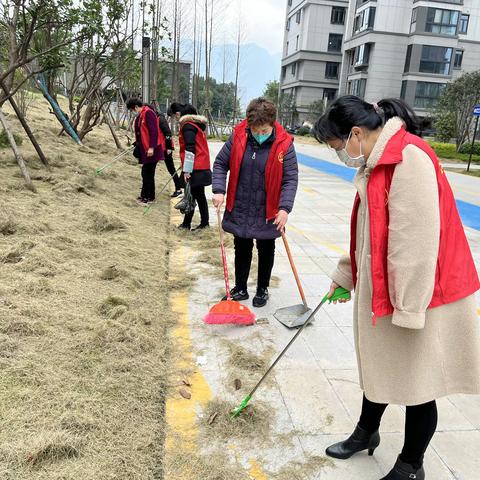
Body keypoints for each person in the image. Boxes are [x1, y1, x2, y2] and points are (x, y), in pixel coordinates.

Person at [313, 95, 480, 480]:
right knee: (382, 367)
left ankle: (410, 465)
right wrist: (346, 274)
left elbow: (416, 243)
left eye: (338, 147)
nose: (340, 154)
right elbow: (369, 232)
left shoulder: (409, 159)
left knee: (418, 383)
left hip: (424, 294)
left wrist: (407, 310)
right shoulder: (378, 161)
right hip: (397, 288)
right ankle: (365, 432)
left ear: (355, 134)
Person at [212, 97, 298, 308]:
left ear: (272, 124)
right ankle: (240, 288)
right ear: (249, 125)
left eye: (264, 131)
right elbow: (221, 163)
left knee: (266, 248)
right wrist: (219, 190)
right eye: (256, 131)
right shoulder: (239, 136)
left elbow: (290, 179)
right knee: (241, 246)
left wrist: (284, 208)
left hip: (268, 208)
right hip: (241, 203)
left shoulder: (284, 144)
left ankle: (262, 289)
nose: (259, 135)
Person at [167, 102, 212, 230]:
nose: (175, 118)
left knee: (194, 196)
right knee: (195, 195)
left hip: (195, 167)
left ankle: (198, 224)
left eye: (174, 116)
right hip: (200, 165)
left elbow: (190, 148)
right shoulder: (195, 125)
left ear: (178, 114)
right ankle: (196, 223)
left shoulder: (187, 126)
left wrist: (187, 169)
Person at [126, 98, 164, 203]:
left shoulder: (148, 113)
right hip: (145, 149)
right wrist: (137, 143)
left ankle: (147, 197)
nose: (132, 112)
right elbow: (141, 133)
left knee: (147, 173)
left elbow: (154, 131)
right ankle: (147, 196)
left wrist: (152, 147)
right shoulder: (141, 115)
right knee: (147, 173)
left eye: (132, 110)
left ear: (136, 107)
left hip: (152, 150)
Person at [157, 111, 184, 197]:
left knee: (171, 168)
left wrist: (169, 147)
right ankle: (179, 187)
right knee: (171, 168)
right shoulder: (157, 118)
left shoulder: (161, 119)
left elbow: (168, 133)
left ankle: (179, 188)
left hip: (166, 148)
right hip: (161, 147)